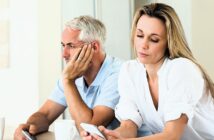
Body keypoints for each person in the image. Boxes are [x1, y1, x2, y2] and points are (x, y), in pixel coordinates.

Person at [82, 3, 214, 140]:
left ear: (169, 42)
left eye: (154, 39)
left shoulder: (182, 69)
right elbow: (129, 126)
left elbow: (171, 135)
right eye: (139, 35)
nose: (143, 45)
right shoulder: (130, 71)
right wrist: (111, 136)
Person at [14, 15, 123, 139]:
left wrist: (68, 81)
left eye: (71, 46)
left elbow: (88, 129)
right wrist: (29, 126)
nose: (64, 54)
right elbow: (45, 114)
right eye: (63, 45)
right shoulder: (73, 73)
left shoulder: (118, 73)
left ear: (94, 47)